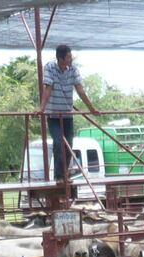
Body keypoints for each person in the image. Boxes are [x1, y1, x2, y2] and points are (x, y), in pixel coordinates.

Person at [38, 44, 98, 185]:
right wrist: (42, 109)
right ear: (61, 58)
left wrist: (91, 108)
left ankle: (65, 175)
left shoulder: (73, 70)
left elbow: (80, 90)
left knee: (69, 144)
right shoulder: (50, 68)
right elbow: (48, 88)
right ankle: (58, 176)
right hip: (54, 115)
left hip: (67, 115)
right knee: (58, 143)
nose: (71, 59)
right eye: (69, 57)